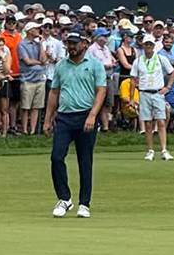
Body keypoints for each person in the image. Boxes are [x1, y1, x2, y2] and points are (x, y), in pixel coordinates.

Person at [43, 31, 106, 219]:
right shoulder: (62, 65)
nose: (71, 47)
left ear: (84, 44)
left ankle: (84, 203)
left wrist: (92, 116)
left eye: (75, 43)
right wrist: (48, 119)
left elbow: (101, 91)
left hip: (86, 116)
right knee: (56, 157)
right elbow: (54, 92)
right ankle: (64, 198)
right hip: (64, 117)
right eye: (69, 43)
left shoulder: (95, 64)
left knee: (84, 161)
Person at [130, 34, 174, 160]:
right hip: (144, 93)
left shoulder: (161, 59)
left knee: (161, 121)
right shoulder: (138, 61)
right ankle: (150, 150)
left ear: (154, 45)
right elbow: (133, 79)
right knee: (148, 123)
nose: (148, 46)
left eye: (151, 44)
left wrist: (168, 87)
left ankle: (164, 150)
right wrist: (131, 98)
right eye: (146, 44)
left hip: (157, 93)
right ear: (143, 45)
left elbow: (172, 72)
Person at [17, 22, 47, 135]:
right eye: (36, 29)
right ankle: (25, 129)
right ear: (30, 31)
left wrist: (41, 45)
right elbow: (27, 61)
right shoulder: (22, 44)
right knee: (25, 106)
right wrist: (39, 62)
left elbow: (43, 60)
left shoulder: (37, 44)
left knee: (36, 106)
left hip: (39, 78)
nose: (38, 30)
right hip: (27, 79)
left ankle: (33, 130)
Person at [87, 28, 117, 132]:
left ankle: (105, 127)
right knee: (96, 102)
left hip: (108, 78)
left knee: (106, 104)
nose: (106, 38)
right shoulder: (92, 49)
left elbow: (110, 59)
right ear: (98, 37)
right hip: (98, 79)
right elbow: (91, 64)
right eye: (104, 36)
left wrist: (112, 62)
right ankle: (94, 124)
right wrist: (105, 66)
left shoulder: (106, 49)